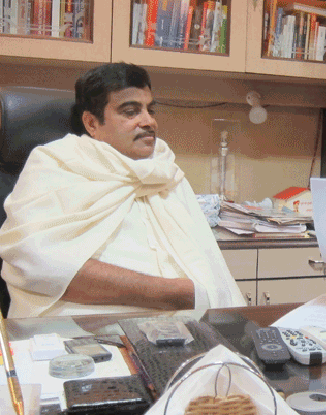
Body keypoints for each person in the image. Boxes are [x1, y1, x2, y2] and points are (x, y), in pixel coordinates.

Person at [0, 62, 245, 318]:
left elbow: (208, 264)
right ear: (91, 123)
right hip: (85, 328)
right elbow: (34, 262)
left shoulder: (165, 170)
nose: (149, 121)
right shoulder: (56, 164)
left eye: (150, 110)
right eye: (131, 112)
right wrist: (175, 294)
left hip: (183, 325)